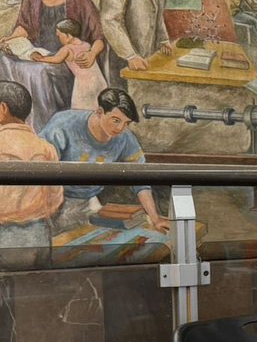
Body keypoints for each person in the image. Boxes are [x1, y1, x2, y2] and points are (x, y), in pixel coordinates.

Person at [0, 0, 105, 131]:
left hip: (67, 61)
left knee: (38, 72)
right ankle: (14, 121)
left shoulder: (79, 0)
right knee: (4, 59)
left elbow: (98, 38)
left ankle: (42, 127)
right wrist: (10, 39)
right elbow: (24, 27)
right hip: (37, 53)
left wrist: (91, 53)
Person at [40, 87, 168, 233]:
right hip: (53, 202)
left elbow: (139, 179)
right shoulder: (63, 125)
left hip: (89, 202)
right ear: (100, 112)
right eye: (116, 120)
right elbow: (41, 170)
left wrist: (155, 218)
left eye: (126, 123)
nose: (120, 128)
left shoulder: (125, 138)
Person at [0, 81, 62, 269]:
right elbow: (56, 197)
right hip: (40, 232)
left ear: (2, 108)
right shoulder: (45, 147)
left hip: (4, 234)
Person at [31, 19, 108, 109]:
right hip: (99, 82)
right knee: (98, 108)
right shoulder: (87, 45)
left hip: (83, 87)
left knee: (81, 112)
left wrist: (40, 58)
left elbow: (56, 59)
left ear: (68, 35)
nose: (58, 38)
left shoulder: (67, 49)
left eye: (59, 35)